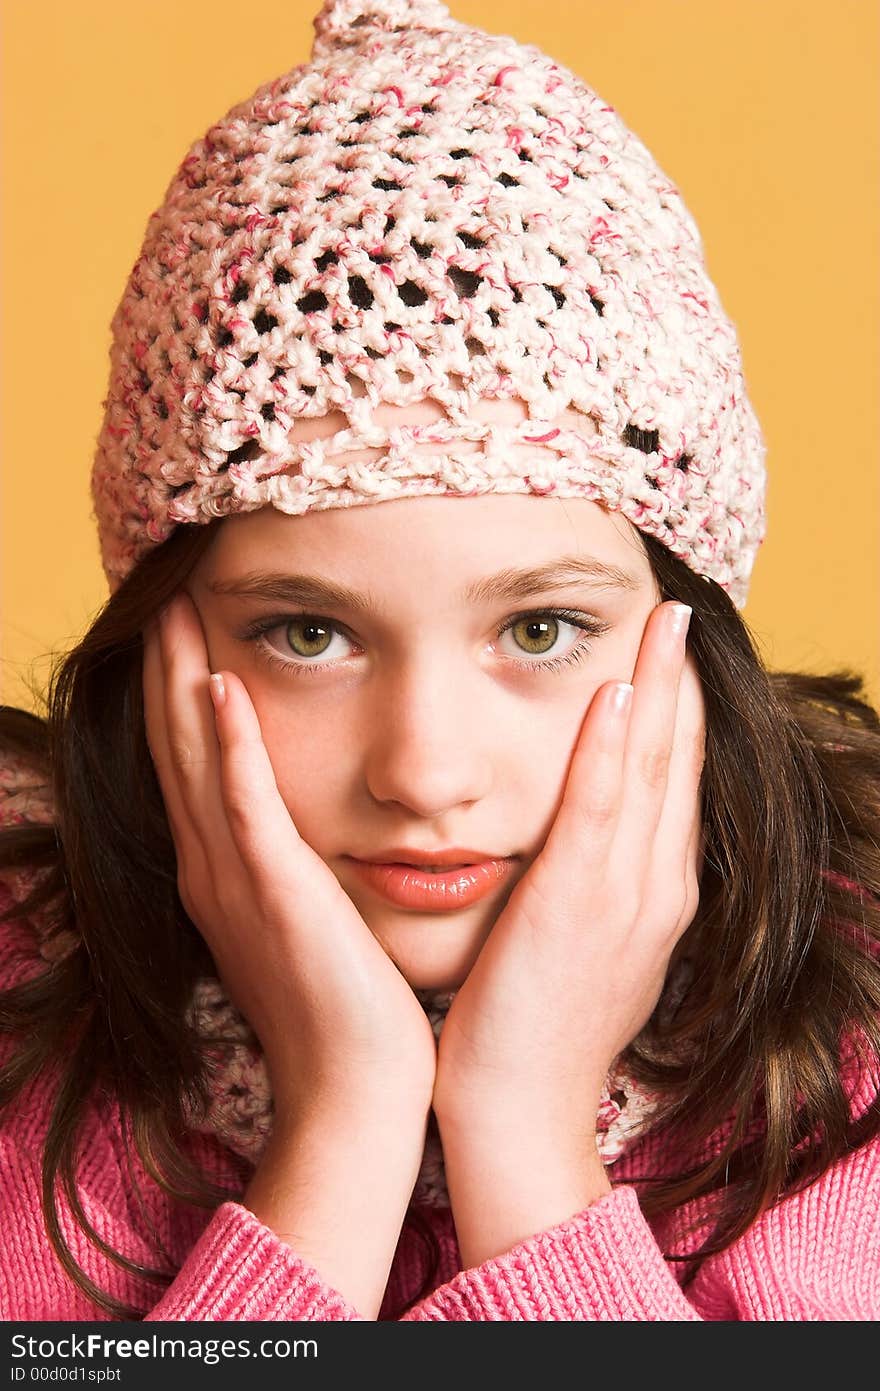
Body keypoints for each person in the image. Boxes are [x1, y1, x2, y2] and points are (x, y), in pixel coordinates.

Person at [1, 0, 879, 1323]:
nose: (424, 772)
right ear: (166, 642)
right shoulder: (24, 1007)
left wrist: (523, 1135)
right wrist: (339, 1129)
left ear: (689, 639)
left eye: (539, 631)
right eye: (309, 634)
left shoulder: (852, 1047)